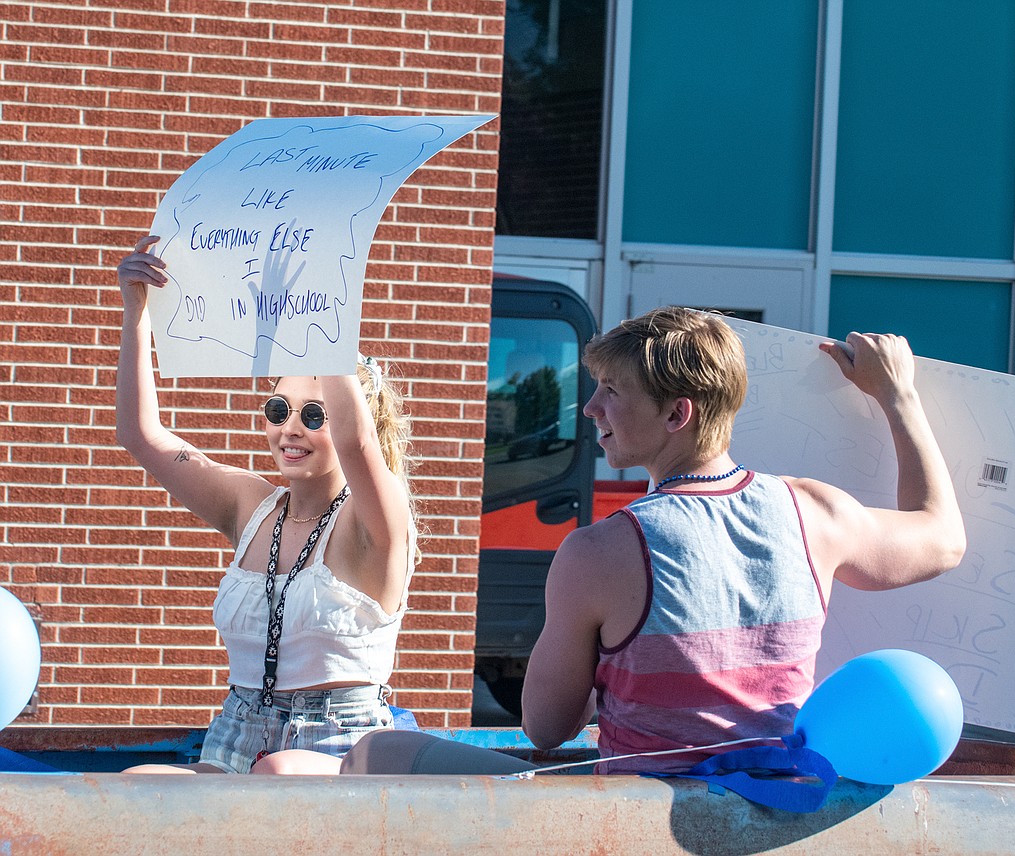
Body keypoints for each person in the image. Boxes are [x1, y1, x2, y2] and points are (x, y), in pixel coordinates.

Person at [339, 305, 965, 776]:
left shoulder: (599, 552)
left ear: (677, 414)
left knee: (376, 751)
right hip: (774, 800)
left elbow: (546, 727)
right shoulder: (816, 512)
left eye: (612, 391)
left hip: (638, 816)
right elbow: (943, 538)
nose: (590, 410)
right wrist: (898, 394)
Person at [115, 235, 419, 774]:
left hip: (338, 746)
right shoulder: (251, 506)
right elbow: (143, 436)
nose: (290, 429)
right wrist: (136, 306)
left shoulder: (374, 520)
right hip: (238, 731)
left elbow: (357, 444)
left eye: (314, 415)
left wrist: (323, 316)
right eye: (279, 409)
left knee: (274, 777)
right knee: (140, 784)